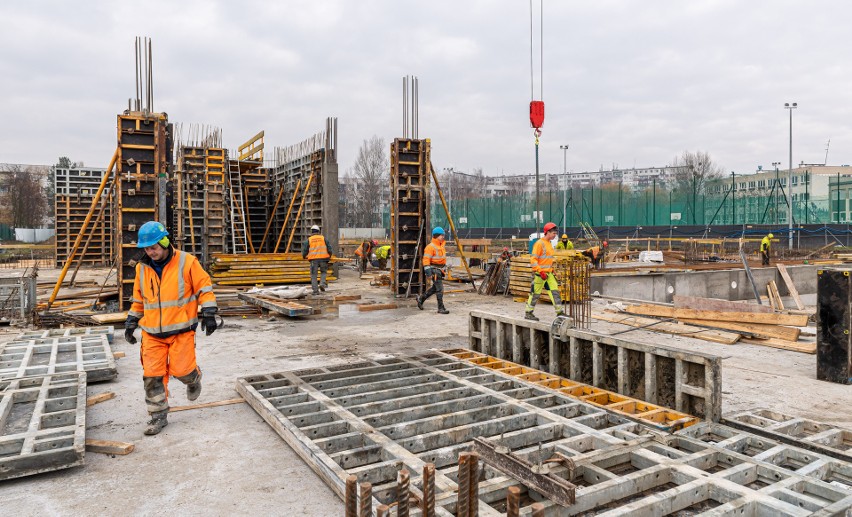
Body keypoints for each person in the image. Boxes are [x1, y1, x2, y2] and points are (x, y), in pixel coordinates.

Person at [124, 221, 218, 436]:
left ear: (165, 242)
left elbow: (204, 287)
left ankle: (193, 379)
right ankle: (158, 416)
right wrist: (131, 322)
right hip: (152, 335)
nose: (150, 252)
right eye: (146, 248)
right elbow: (139, 300)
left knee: (182, 371)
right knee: (152, 375)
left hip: (181, 331)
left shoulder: (187, 262)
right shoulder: (141, 268)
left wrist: (210, 312)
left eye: (154, 247)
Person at [525, 222, 564, 321]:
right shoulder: (539, 244)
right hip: (540, 274)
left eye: (555, 233)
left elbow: (547, 260)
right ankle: (528, 313)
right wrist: (540, 271)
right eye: (553, 233)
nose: (555, 235)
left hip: (549, 273)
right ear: (547, 232)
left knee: (555, 292)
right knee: (535, 294)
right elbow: (533, 260)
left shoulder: (549, 244)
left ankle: (560, 313)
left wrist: (552, 270)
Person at [417, 227, 450, 314]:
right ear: (436, 236)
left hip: (440, 270)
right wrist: (428, 272)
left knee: (435, 288)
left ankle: (421, 298)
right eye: (441, 235)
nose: (443, 237)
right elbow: (426, 260)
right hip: (434, 270)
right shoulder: (430, 247)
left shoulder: (441, 246)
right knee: (440, 289)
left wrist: (444, 269)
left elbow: (442, 259)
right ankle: (441, 308)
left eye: (443, 235)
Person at [302, 225, 333, 295]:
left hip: (313, 260)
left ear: (311, 231)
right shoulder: (323, 238)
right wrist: (329, 256)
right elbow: (330, 249)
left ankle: (315, 291)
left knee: (313, 275)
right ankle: (322, 283)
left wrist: (304, 256)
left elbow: (305, 250)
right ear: (319, 231)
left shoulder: (309, 240)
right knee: (323, 272)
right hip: (324, 259)